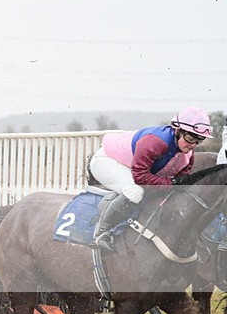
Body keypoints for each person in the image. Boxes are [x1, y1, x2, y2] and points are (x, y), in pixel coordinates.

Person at [88, 107, 213, 251]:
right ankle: (101, 233)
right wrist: (171, 182)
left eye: (199, 140)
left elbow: (178, 185)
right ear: (177, 130)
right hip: (106, 161)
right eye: (190, 138)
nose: (192, 145)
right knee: (135, 191)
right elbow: (141, 177)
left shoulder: (187, 156)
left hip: (130, 166)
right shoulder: (156, 141)